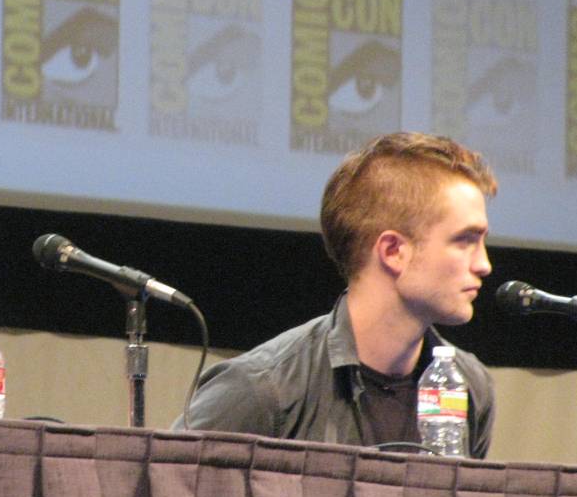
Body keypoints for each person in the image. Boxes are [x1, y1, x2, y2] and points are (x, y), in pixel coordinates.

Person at [174, 131, 497, 458]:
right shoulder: (263, 389)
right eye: (465, 241)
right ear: (393, 251)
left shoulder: (470, 385)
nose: (484, 265)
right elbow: (165, 483)